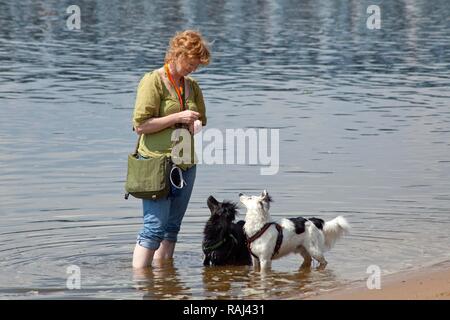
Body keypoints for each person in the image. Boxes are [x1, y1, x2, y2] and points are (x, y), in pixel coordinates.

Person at [131, 30, 210, 269]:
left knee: (172, 227)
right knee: (153, 228)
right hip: (156, 164)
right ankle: (143, 286)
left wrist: (195, 123)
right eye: (191, 63)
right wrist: (178, 116)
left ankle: (164, 279)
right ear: (177, 54)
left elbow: (202, 119)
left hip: (185, 163)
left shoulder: (192, 86)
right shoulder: (152, 80)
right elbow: (140, 126)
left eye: (197, 65)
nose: (193, 69)